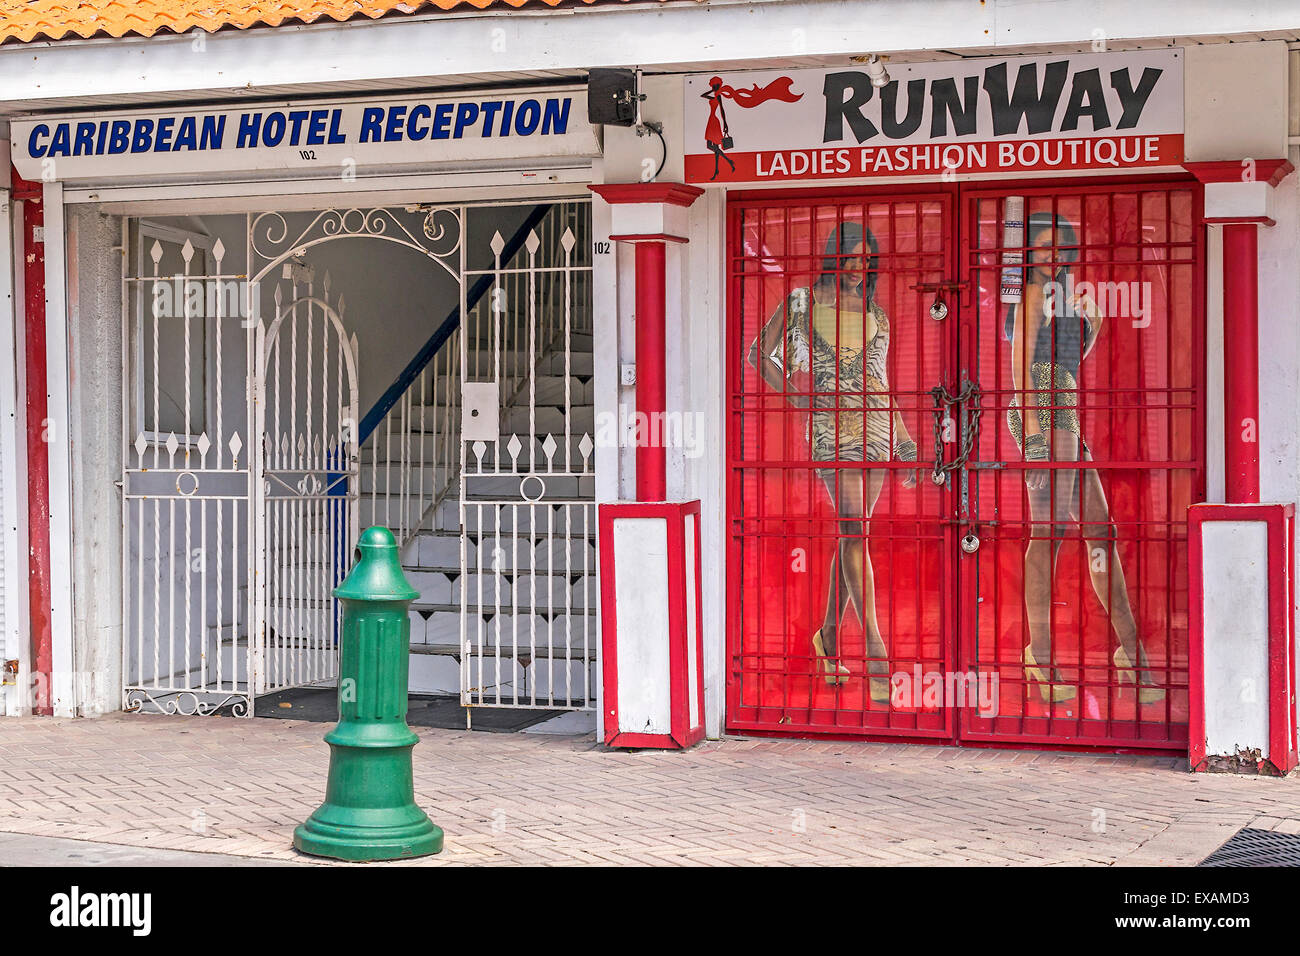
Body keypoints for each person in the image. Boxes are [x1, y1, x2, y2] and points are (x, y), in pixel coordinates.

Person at [748, 223, 916, 703]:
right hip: (830, 430)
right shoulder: (802, 301)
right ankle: (878, 652)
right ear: (834, 256)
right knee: (854, 531)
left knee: (852, 533)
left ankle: (829, 635)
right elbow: (760, 353)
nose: (861, 267)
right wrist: (796, 398)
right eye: (853, 257)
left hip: (878, 430)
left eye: (868, 260)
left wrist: (904, 441)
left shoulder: (877, 314)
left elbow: (884, 384)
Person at [1006, 212, 1164, 705]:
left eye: (1061, 248)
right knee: (1048, 534)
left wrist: (1090, 320)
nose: (1053, 257)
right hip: (1042, 414)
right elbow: (1020, 370)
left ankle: (1129, 654)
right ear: (1029, 252)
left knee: (1101, 530)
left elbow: (1073, 360)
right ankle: (1042, 655)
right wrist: (1033, 435)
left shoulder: (1068, 299)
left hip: (1066, 415)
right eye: (1044, 248)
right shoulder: (1032, 295)